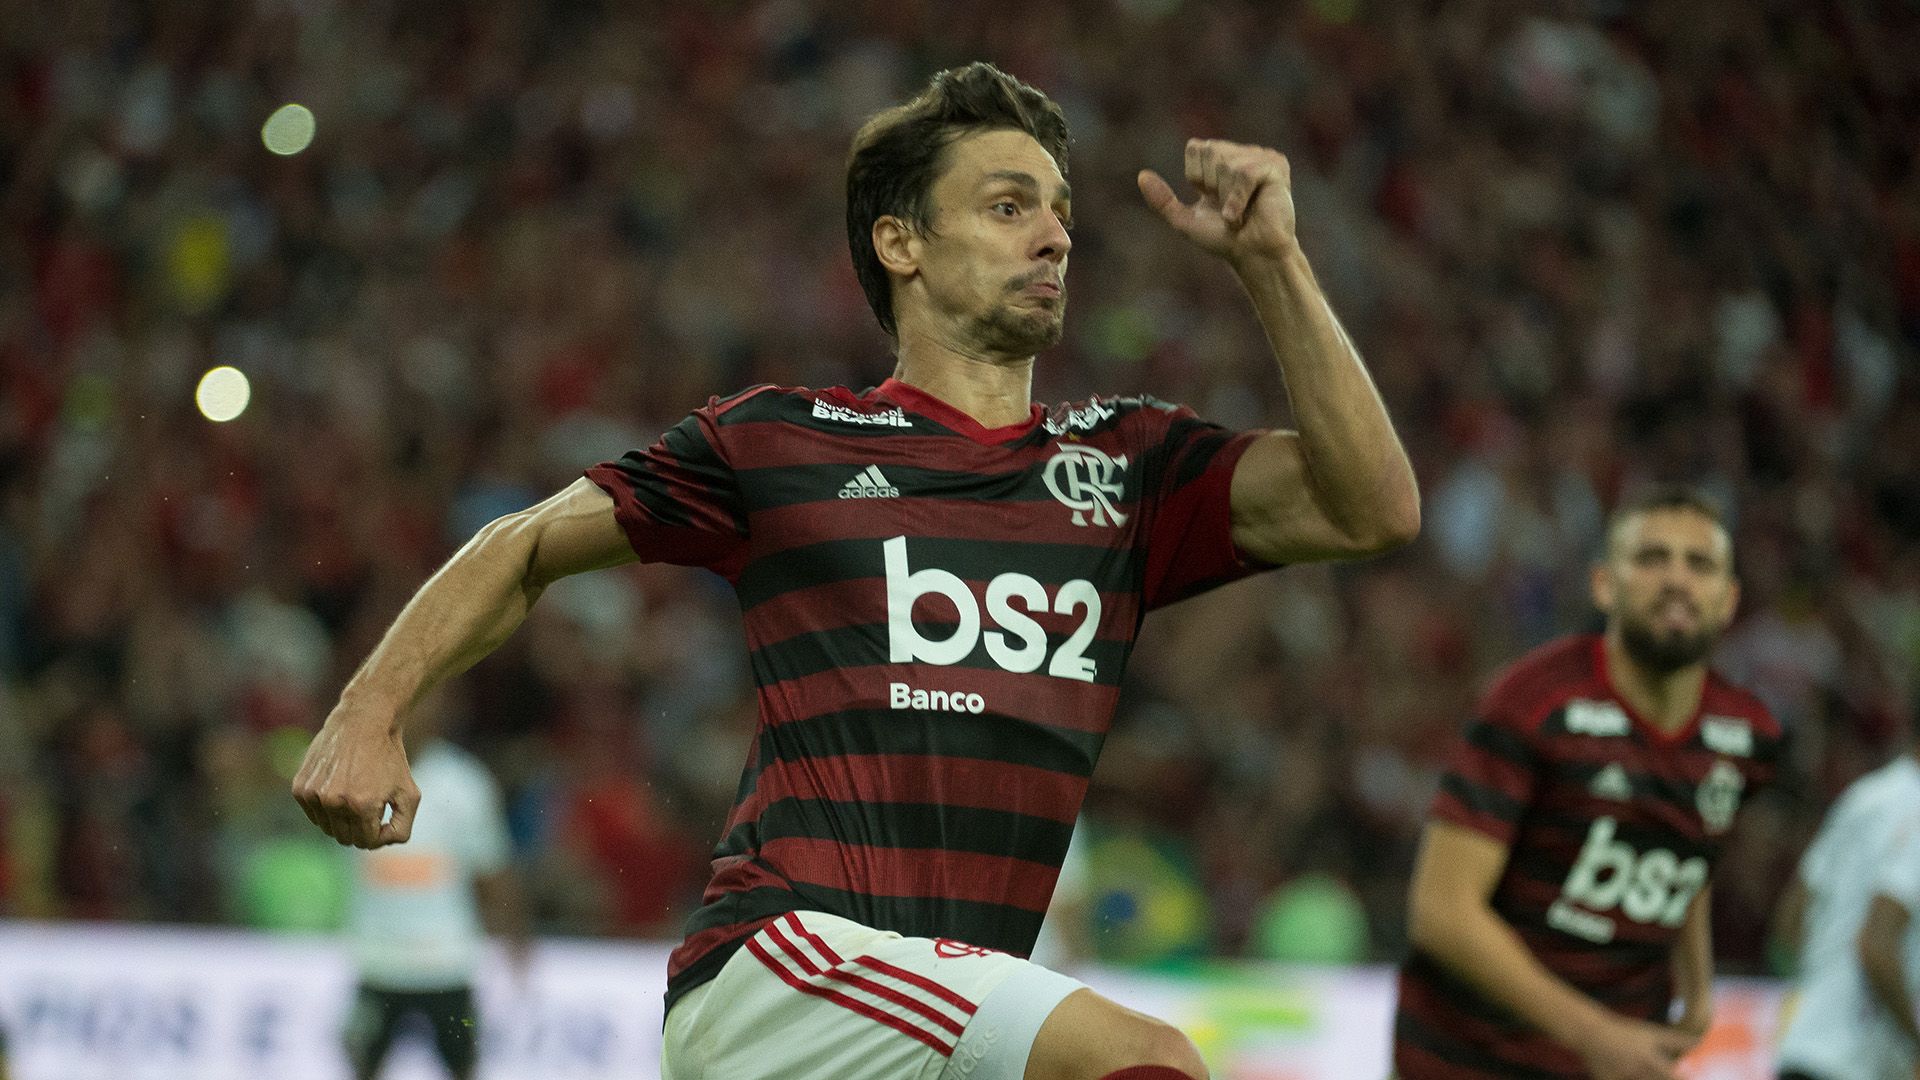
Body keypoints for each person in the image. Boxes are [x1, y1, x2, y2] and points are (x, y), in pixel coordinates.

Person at [293, 61, 1419, 1080]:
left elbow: (1370, 507)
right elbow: (526, 542)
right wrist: (369, 709)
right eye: (1008, 205)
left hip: (939, 1026)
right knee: (1147, 1065)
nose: (1056, 238)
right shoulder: (784, 442)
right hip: (780, 973)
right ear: (902, 244)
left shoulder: (1127, 468)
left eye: (1062, 214)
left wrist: (1272, 260)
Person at [1394, 487, 1784, 1080]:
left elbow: (1689, 851)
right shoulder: (1533, 704)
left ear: (1728, 600)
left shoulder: (1747, 734)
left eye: (1699, 564)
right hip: (1470, 1059)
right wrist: (1596, 1035)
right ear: (1604, 585)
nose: (1677, 579)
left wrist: (1699, 987)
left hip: (1616, 1061)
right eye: (1652, 558)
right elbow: (1442, 911)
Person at [339, 694, 529, 1080]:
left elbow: (492, 869)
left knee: (463, 1064)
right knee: (360, 1063)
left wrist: (516, 936)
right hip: (379, 958)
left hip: (446, 961)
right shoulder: (357, 775)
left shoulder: (464, 783)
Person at [1772, 736, 1920, 1080]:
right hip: (1855, 1064)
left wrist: (1818, 994)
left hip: (1800, 1048)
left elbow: (1789, 921)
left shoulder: (1864, 796)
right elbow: (1877, 947)